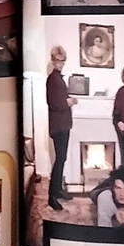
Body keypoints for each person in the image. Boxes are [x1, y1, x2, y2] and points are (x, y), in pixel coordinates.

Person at [46, 44, 76, 212]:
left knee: (62, 159)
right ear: (53, 60)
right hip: (59, 126)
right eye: (58, 60)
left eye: (63, 60)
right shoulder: (52, 79)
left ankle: (58, 190)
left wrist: (68, 99)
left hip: (63, 124)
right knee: (59, 160)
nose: (61, 63)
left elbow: (59, 98)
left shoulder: (58, 78)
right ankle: (51, 196)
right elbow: (54, 103)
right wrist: (68, 102)